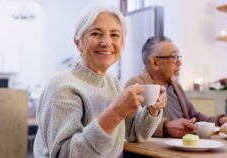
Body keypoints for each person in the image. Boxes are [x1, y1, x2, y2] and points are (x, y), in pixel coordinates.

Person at [33, 5, 167, 158]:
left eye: (115, 35)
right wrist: (115, 112)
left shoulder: (112, 83)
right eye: (96, 33)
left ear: (121, 44)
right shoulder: (62, 87)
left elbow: (135, 133)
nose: (106, 42)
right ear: (78, 43)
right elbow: (64, 154)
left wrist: (153, 109)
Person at [125, 36, 227, 138]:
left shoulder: (175, 86)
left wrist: (219, 120)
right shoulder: (136, 85)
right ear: (155, 62)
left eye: (178, 57)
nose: (179, 63)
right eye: (174, 57)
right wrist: (165, 127)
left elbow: (195, 117)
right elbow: (130, 125)